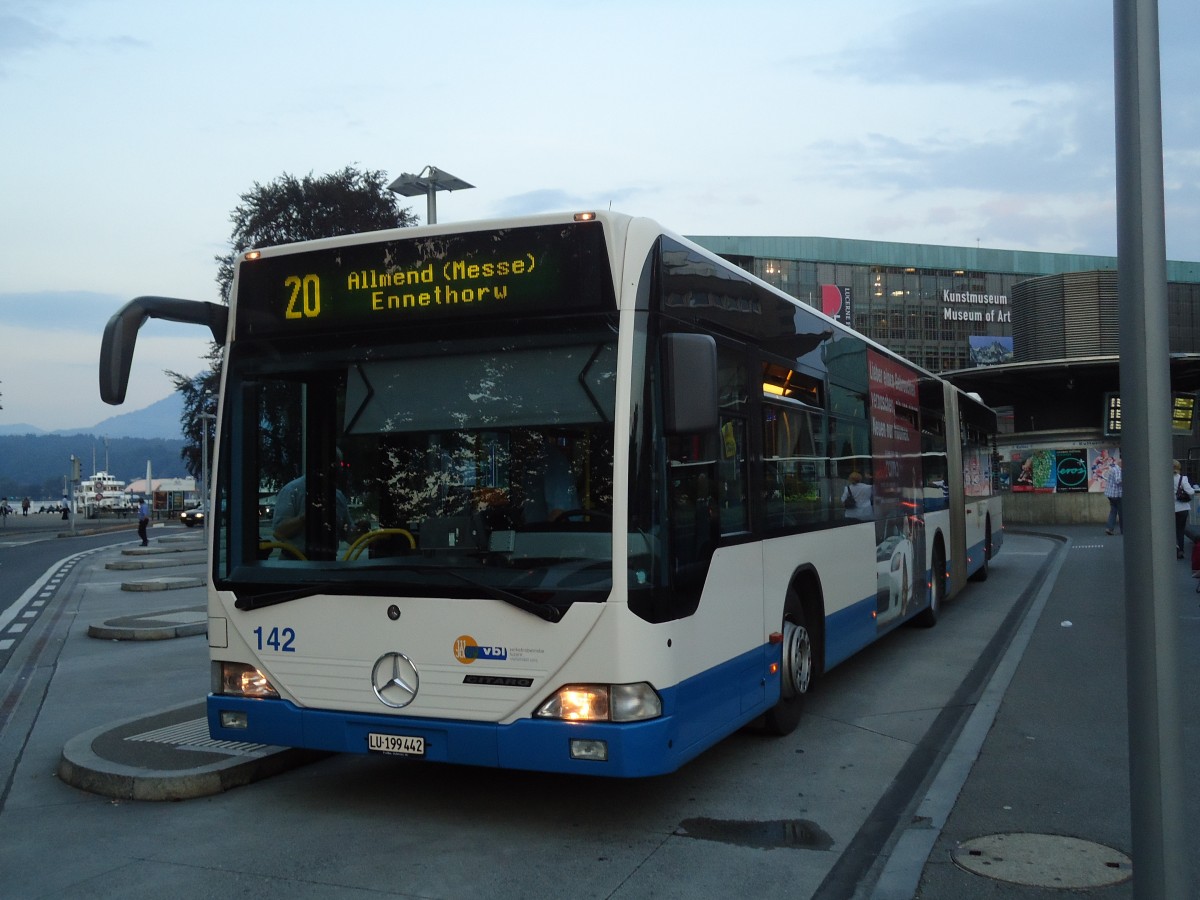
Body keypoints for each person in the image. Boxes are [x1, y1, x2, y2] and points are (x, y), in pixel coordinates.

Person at [1173, 459, 1194, 559]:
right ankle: (1180, 550)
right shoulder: (1183, 478)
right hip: (1183, 508)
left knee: (1171, 530)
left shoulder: (1164, 479)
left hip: (1169, 509)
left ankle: (1173, 549)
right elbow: (1190, 492)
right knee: (1180, 530)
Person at [1103, 457, 1123, 535]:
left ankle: (1109, 528)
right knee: (1122, 513)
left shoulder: (1112, 469)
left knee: (1113, 511)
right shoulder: (1118, 470)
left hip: (1110, 494)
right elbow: (1118, 480)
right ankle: (1123, 530)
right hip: (1118, 494)